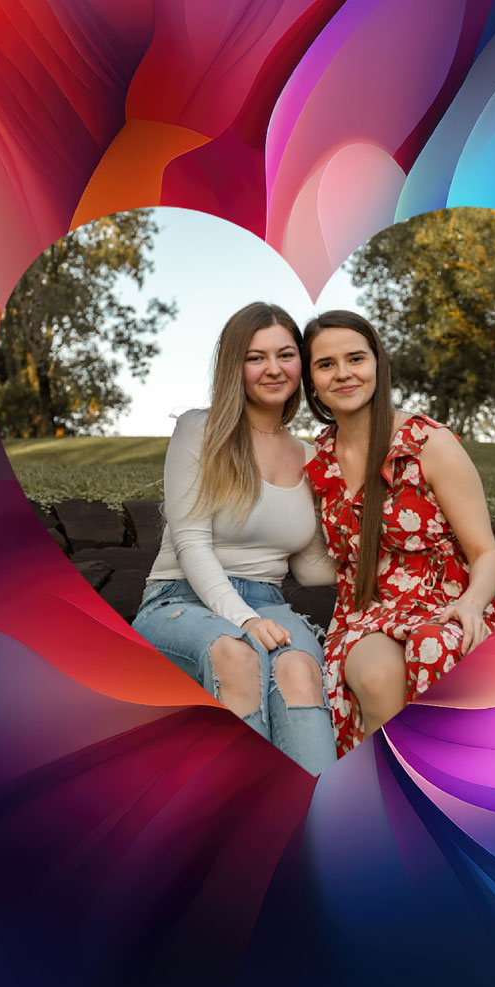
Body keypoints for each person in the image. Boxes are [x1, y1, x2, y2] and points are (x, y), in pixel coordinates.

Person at [132, 302, 338, 775]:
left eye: (285, 355)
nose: (272, 369)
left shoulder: (310, 457)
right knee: (236, 654)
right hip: (179, 599)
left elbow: (308, 566)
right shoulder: (200, 429)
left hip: (271, 606)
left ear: (301, 364)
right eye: (255, 357)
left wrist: (389, 560)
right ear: (234, 366)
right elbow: (190, 542)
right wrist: (243, 619)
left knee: (298, 669)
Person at [301, 310, 495, 755]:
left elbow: (485, 552)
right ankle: (387, 805)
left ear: (377, 363)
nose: (343, 374)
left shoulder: (427, 444)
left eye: (355, 358)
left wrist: (470, 605)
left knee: (435, 647)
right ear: (311, 378)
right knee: (377, 680)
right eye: (325, 364)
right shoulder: (318, 460)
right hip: (367, 614)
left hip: (446, 603)